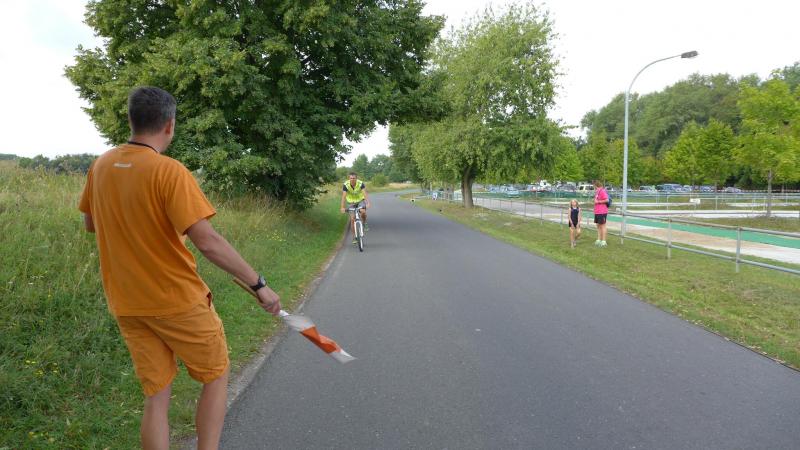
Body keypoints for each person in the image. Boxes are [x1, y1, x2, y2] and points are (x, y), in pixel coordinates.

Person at [78, 86, 281, 450]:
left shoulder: (101, 166)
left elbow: (91, 224)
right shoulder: (169, 171)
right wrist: (258, 284)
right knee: (216, 375)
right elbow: (208, 241)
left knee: (156, 394)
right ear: (169, 125)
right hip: (176, 300)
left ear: (131, 119)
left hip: (127, 303)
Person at [340, 172, 371, 244]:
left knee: (363, 212)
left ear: (356, 178)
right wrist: (342, 207)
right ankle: (354, 237)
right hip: (351, 202)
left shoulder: (360, 183)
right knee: (352, 219)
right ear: (349, 178)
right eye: (351, 178)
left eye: (354, 178)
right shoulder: (346, 185)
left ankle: (364, 223)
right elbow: (343, 196)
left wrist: (368, 203)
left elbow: (364, 193)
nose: (352, 179)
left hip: (360, 200)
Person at [593, 179, 609, 247]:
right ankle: (599, 239)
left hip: (602, 211)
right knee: (598, 225)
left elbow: (607, 200)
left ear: (595, 185)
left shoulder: (602, 191)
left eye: (593, 185)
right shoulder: (597, 192)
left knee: (603, 226)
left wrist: (598, 202)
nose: (593, 187)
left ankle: (604, 241)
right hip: (597, 211)